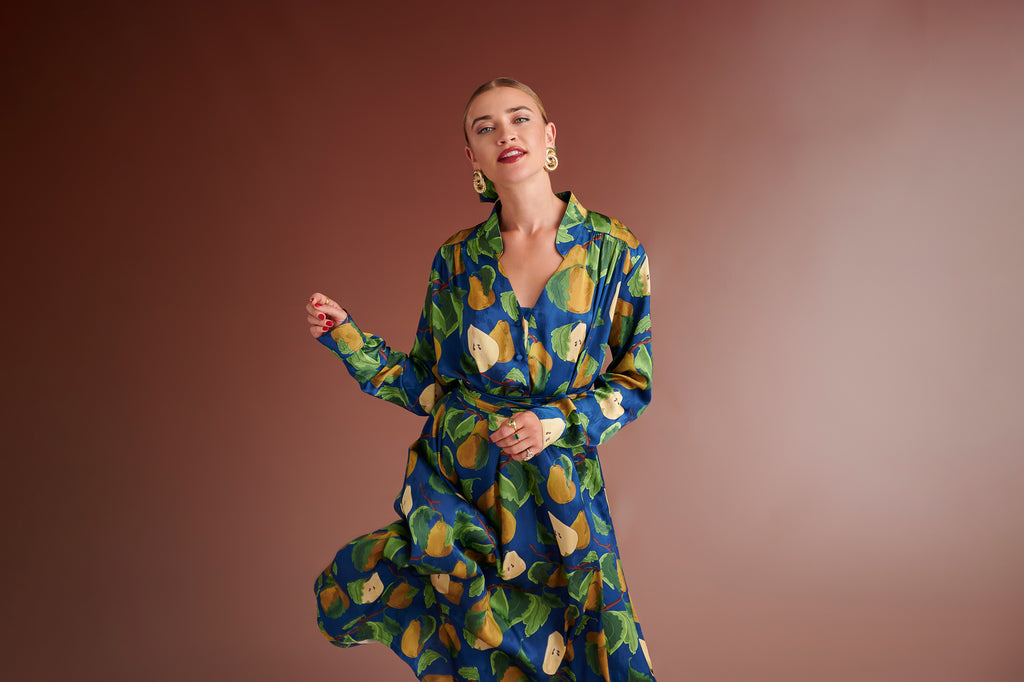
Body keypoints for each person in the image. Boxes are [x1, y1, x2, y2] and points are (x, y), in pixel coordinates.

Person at [305, 78, 655, 682]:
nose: (505, 135)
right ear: (472, 157)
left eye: (519, 119)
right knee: (476, 649)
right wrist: (348, 339)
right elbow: (428, 384)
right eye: (485, 128)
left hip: (557, 494)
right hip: (463, 483)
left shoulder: (613, 250)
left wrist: (556, 422)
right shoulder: (457, 259)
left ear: (549, 136)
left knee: (587, 648)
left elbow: (633, 381)